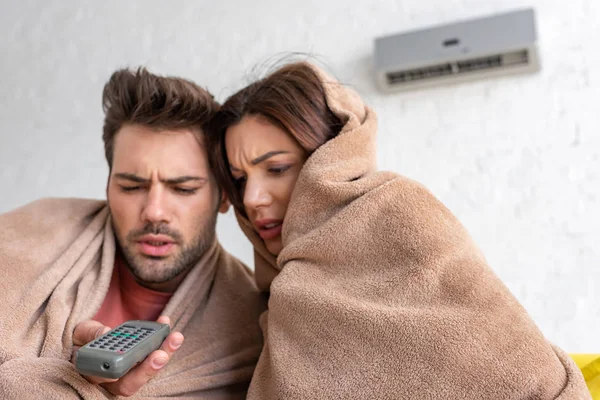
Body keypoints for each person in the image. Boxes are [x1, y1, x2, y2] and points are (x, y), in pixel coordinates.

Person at [206, 61, 591, 399]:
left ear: (330, 157)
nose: (253, 198)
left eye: (276, 169)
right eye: (239, 180)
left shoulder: (403, 216)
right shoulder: (276, 292)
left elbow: (517, 371)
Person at [0, 67, 265, 399]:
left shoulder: (252, 328)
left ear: (223, 195)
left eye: (182, 189)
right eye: (131, 186)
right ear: (109, 184)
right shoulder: (29, 233)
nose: (154, 211)